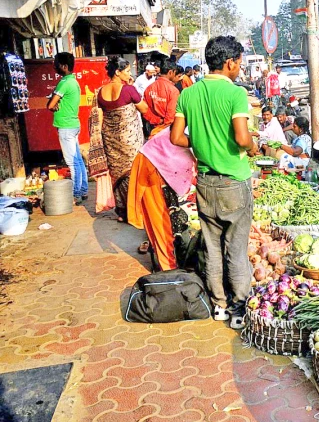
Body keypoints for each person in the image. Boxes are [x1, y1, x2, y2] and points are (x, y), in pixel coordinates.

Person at [170, 35, 258, 330]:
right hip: (235, 180)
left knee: (212, 245)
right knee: (236, 248)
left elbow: (176, 137)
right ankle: (239, 308)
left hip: (205, 182)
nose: (239, 69)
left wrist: (202, 143)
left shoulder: (188, 94)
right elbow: (242, 138)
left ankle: (218, 304)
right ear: (230, 63)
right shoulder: (235, 94)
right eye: (239, 64)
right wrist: (253, 148)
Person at [127, 127, 196, 270]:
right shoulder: (197, 118)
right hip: (154, 163)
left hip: (161, 160)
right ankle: (168, 269)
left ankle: (167, 263)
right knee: (160, 220)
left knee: (161, 219)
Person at [97, 56, 149, 221]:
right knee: (133, 173)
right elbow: (145, 109)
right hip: (129, 139)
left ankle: (121, 211)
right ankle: (133, 210)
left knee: (117, 174)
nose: (129, 74)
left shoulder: (101, 91)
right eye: (126, 71)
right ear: (117, 72)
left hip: (110, 140)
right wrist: (132, 87)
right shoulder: (129, 90)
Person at [48, 52, 88, 203]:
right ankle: (83, 191)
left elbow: (51, 105)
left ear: (64, 66)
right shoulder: (73, 81)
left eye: (56, 64)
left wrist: (54, 103)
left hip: (65, 127)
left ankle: (76, 194)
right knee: (78, 160)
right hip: (73, 125)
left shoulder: (64, 83)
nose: (54, 67)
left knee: (72, 162)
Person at [142, 59, 180, 136]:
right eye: (175, 73)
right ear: (170, 72)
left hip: (153, 128)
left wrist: (156, 120)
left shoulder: (149, 88)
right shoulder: (173, 91)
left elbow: (144, 110)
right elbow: (170, 117)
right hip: (166, 131)